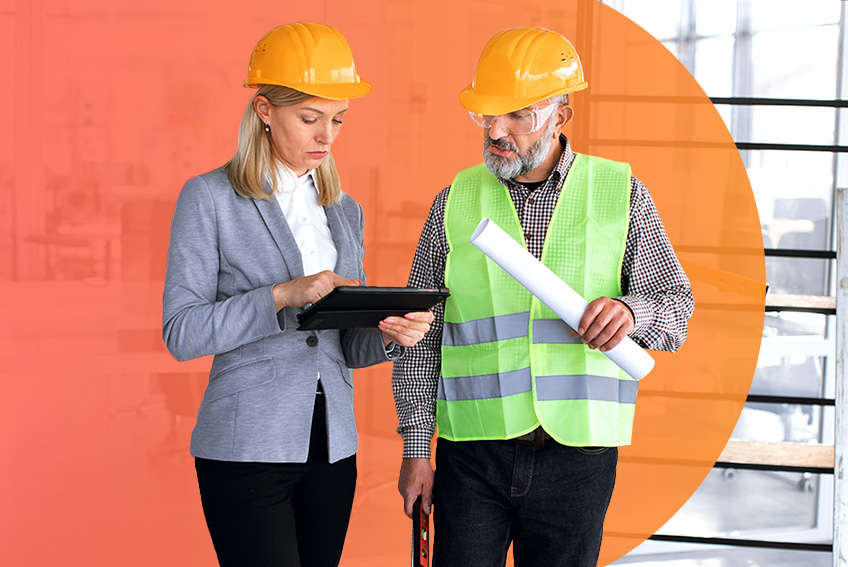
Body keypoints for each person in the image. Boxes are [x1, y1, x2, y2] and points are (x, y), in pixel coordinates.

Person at [393, 27, 694, 567]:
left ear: (562, 116)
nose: (497, 130)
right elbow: (422, 335)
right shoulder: (454, 202)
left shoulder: (619, 193)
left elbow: (676, 310)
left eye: (519, 115)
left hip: (578, 461)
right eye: (487, 114)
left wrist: (631, 313)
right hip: (473, 455)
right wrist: (417, 451)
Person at [162, 22, 434, 567]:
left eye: (337, 120)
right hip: (245, 446)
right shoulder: (209, 198)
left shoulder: (344, 211)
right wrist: (281, 295)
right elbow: (182, 332)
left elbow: (342, 346)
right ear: (264, 111)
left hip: (333, 448)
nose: (326, 136)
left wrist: (392, 335)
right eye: (310, 119)